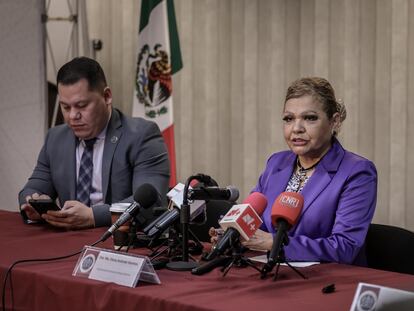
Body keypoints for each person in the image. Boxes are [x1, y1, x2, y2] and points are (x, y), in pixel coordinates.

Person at [18, 57, 170, 230]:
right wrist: (31, 201)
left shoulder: (142, 136)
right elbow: (32, 187)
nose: (72, 116)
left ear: (106, 97)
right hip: (67, 242)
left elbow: (150, 201)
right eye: (66, 107)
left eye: (81, 106)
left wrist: (93, 216)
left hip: (118, 243)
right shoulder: (55, 138)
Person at [243, 77, 377, 265]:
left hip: (328, 281)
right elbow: (257, 222)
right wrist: (235, 233)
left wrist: (274, 243)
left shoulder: (357, 172)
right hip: (270, 270)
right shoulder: (276, 163)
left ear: (334, 122)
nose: (296, 128)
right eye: (289, 119)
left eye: (310, 118)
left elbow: (344, 247)